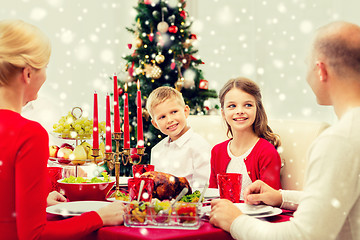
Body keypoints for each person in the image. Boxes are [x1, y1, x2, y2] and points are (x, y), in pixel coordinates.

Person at [209, 21, 360, 240]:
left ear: (321, 70)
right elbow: (332, 201)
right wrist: (280, 197)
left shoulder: (339, 140)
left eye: (307, 64)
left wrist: (235, 221)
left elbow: (302, 236)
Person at [0, 19, 125, 240]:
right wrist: (99, 217)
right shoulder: (28, 133)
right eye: (45, 67)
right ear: (28, 74)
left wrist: (37, 202)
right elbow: (34, 236)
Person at [209, 77, 282, 198]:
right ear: (223, 113)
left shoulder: (267, 152)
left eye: (248, 105)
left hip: (255, 217)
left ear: (257, 110)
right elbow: (212, 197)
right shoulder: (217, 151)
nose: (240, 111)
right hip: (223, 216)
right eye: (232, 106)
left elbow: (272, 200)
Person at [146, 86, 211, 189]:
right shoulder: (156, 150)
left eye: (174, 112)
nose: (169, 120)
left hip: (191, 203)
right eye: (162, 117)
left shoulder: (200, 146)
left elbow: (203, 186)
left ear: (185, 111)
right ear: (155, 124)